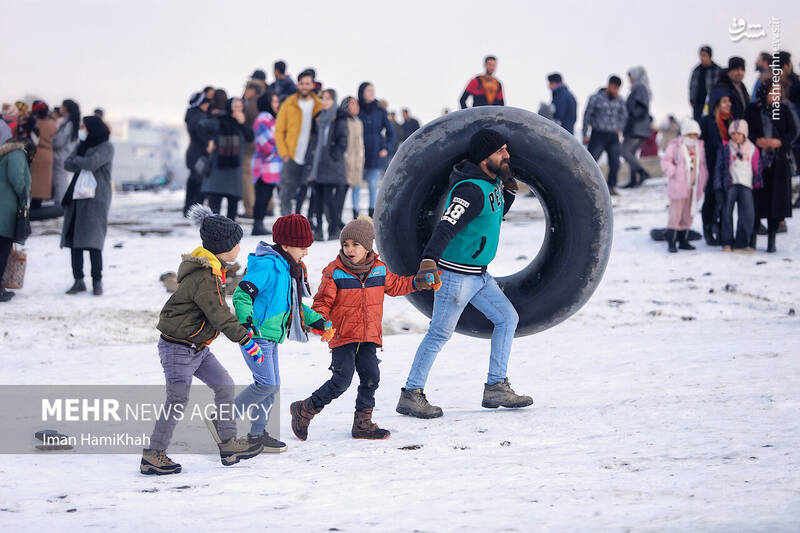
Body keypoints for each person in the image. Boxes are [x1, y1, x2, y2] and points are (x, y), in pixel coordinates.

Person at [396, 129, 532, 418]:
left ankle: (496, 385)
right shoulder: (469, 190)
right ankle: (411, 393)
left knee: (507, 318)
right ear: (485, 158)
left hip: (480, 276)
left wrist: (507, 189)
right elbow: (446, 224)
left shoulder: (490, 184)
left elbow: (494, 212)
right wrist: (429, 261)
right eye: (500, 151)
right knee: (439, 334)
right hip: (456, 277)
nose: (507, 155)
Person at [141, 205, 265, 475]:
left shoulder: (213, 270)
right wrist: (245, 339)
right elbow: (218, 313)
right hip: (178, 347)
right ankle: (153, 454)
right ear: (223, 247)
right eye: (237, 244)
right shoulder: (204, 276)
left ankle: (230, 443)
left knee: (224, 385)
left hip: (197, 347)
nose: (239, 249)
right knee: (177, 399)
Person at [291, 218, 430, 440]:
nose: (349, 249)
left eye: (355, 244)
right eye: (346, 244)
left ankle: (363, 423)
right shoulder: (335, 272)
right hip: (343, 335)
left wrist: (418, 282)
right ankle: (305, 409)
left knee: (371, 377)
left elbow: (396, 286)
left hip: (369, 336)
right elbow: (322, 302)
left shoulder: (379, 270)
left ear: (367, 246)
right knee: (341, 380)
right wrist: (319, 320)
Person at [232, 214, 332, 452]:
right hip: (255, 336)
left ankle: (257, 435)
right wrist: (246, 324)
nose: (306, 252)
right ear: (285, 245)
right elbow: (242, 294)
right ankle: (223, 417)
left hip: (270, 337)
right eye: (302, 247)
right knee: (266, 384)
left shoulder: (287, 268)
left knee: (272, 385)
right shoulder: (268, 265)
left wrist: (318, 320)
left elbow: (292, 306)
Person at [60, 116, 114, 296]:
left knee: (93, 242)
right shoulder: (82, 145)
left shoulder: (107, 147)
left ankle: (97, 281)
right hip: (76, 198)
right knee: (75, 242)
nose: (82, 130)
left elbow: (92, 163)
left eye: (84, 127)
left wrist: (79, 160)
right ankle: (78, 280)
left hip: (95, 200)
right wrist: (81, 160)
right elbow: (67, 163)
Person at [745, 80, 798, 253]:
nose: (775, 96)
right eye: (772, 92)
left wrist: (779, 142)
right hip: (757, 161)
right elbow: (746, 130)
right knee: (757, 198)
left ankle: (772, 239)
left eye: (778, 92)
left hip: (778, 160)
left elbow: (793, 131)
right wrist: (756, 140)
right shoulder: (753, 110)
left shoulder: (784, 110)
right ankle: (752, 237)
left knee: (776, 202)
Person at [200, 93, 255, 221]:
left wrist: (243, 123)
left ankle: (230, 230)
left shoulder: (241, 124)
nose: (237, 109)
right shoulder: (219, 120)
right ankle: (212, 229)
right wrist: (209, 140)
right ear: (229, 106)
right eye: (235, 106)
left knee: (233, 201)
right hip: (218, 166)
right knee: (215, 202)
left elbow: (250, 137)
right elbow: (200, 127)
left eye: (240, 106)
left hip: (234, 168)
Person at [304, 89, 348, 241]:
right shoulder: (319, 118)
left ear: (334, 100)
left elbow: (343, 142)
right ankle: (319, 230)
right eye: (322, 98)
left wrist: (331, 154)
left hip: (331, 164)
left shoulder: (339, 119)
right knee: (317, 198)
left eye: (328, 99)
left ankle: (333, 229)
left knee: (329, 200)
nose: (324, 101)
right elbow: (315, 141)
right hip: (318, 163)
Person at [275, 71, 321, 216]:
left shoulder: (319, 105)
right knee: (286, 192)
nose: (304, 87)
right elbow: (279, 131)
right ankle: (286, 221)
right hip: (292, 155)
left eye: (307, 84)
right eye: (301, 83)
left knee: (308, 191)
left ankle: (305, 223)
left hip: (310, 156)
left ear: (312, 85)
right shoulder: (288, 104)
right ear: (297, 84)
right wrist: (284, 153)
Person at [660, 119, 708, 253]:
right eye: (689, 134)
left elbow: (702, 165)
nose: (692, 138)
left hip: (693, 186)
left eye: (695, 135)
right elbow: (665, 161)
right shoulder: (676, 145)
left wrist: (702, 180)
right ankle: (671, 240)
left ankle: (683, 239)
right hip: (678, 186)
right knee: (675, 214)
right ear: (684, 134)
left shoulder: (699, 147)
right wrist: (674, 171)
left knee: (688, 214)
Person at [714, 120, 761, 253]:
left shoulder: (752, 149)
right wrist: (718, 186)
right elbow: (719, 168)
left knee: (747, 214)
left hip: (746, 184)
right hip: (731, 184)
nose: (735, 136)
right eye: (733, 133)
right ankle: (727, 241)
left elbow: (756, 167)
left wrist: (757, 183)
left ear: (744, 134)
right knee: (726, 213)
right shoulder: (726, 148)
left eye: (738, 133)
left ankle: (741, 242)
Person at [0, 137, 35, 302]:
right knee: (2, 249)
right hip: (5, 210)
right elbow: (16, 177)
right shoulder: (17, 154)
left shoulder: (5, 154)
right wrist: (23, 199)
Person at [583, 76, 627, 195]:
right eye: (614, 88)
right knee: (590, 161)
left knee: (615, 162)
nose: (616, 91)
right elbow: (587, 115)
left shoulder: (620, 100)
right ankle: (585, 185)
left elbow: (624, 115)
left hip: (613, 135)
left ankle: (611, 186)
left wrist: (620, 128)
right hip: (598, 134)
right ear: (609, 85)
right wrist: (584, 133)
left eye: (618, 89)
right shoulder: (596, 98)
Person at [356, 82, 395, 218]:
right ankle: (355, 214)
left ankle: (371, 214)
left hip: (375, 153)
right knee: (356, 185)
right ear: (362, 92)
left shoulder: (380, 111)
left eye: (373, 90)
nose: (372, 93)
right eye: (368, 90)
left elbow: (391, 132)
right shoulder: (356, 109)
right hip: (358, 154)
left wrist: (386, 148)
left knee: (373, 185)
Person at [700, 94, 733, 245]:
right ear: (717, 104)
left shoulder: (732, 121)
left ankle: (721, 229)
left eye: (729, 101)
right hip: (711, 165)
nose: (728, 104)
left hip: (727, 168)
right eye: (724, 101)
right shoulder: (708, 121)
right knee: (710, 198)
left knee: (725, 200)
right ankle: (708, 229)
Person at [251, 91, 282, 236]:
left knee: (266, 195)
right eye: (274, 101)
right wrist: (281, 148)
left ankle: (259, 223)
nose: (277, 105)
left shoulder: (271, 119)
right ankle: (257, 225)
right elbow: (267, 143)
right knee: (262, 196)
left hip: (272, 166)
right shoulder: (263, 119)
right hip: (265, 166)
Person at [621, 67, 653, 188]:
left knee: (624, 151)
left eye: (630, 76)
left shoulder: (639, 88)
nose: (629, 79)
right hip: (638, 127)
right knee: (631, 153)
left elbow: (642, 107)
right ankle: (633, 180)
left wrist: (631, 113)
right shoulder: (639, 88)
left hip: (636, 128)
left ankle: (642, 173)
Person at [183, 92, 211, 217]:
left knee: (193, 183)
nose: (207, 105)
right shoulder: (199, 118)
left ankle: (188, 209)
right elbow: (202, 135)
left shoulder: (192, 115)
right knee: (199, 184)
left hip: (193, 153)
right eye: (205, 103)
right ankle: (195, 212)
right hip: (199, 154)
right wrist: (209, 142)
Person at [241, 79, 265, 219]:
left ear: (252, 90)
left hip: (249, 148)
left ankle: (250, 209)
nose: (244, 91)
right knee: (262, 179)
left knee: (248, 178)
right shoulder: (262, 104)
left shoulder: (248, 105)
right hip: (261, 148)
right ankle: (268, 206)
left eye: (246, 89)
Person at [51, 99, 81, 204]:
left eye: (62, 106)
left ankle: (60, 203)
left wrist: (51, 142)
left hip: (61, 154)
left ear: (66, 108)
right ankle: (60, 203)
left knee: (60, 180)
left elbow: (59, 141)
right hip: (65, 153)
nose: (60, 109)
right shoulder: (72, 122)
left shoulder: (68, 123)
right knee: (61, 179)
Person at [341, 96, 365, 223]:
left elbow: (360, 143)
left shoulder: (359, 122)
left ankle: (355, 215)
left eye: (357, 104)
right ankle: (337, 217)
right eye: (353, 104)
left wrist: (362, 158)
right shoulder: (344, 121)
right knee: (342, 192)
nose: (356, 106)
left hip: (357, 162)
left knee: (356, 189)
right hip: (346, 161)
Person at [29, 101, 57, 206]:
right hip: (48, 153)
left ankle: (32, 206)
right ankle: (38, 204)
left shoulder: (33, 123)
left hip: (34, 152)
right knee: (43, 182)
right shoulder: (52, 124)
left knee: (33, 180)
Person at [689, 45, 721, 122]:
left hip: (712, 104)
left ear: (709, 56)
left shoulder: (717, 70)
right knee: (697, 125)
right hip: (698, 104)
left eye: (704, 55)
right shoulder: (697, 70)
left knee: (710, 124)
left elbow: (719, 87)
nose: (702, 58)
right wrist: (692, 100)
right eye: (701, 55)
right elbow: (692, 86)